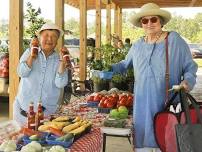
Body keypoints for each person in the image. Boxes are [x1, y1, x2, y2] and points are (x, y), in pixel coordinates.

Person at [111, 3, 198, 152]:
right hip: (141, 108)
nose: (149, 23)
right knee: (143, 145)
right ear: (141, 24)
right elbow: (124, 64)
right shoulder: (137, 45)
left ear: (161, 22)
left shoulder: (173, 40)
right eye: (145, 21)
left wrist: (187, 81)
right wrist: (105, 68)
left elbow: (190, 66)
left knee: (167, 142)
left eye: (154, 19)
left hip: (166, 104)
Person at [13, 23, 69, 126]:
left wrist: (62, 63)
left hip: (46, 115)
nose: (49, 39)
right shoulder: (29, 52)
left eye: (54, 36)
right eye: (46, 35)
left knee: (43, 141)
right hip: (22, 113)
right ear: (39, 38)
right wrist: (32, 56)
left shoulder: (59, 59)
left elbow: (60, 83)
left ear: (57, 42)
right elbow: (21, 73)